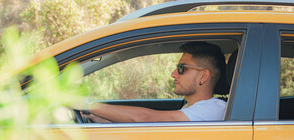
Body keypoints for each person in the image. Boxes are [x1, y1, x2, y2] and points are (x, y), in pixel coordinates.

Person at [81, 42, 227, 123]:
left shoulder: (215, 109)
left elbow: (146, 118)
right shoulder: (192, 107)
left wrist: (88, 105)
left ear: (203, 76)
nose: (173, 74)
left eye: (182, 68)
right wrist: (99, 120)